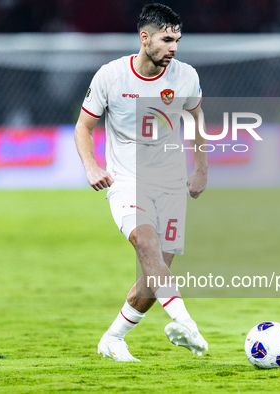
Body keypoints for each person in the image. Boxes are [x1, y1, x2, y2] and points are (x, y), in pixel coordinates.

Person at [75, 3, 208, 362]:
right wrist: (90, 166)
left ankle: (112, 339)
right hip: (126, 181)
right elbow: (84, 126)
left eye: (177, 40)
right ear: (144, 37)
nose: (174, 47)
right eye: (167, 39)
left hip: (170, 184)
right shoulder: (112, 76)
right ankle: (186, 323)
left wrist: (201, 170)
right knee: (146, 244)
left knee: (153, 279)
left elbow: (196, 121)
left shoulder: (186, 77)